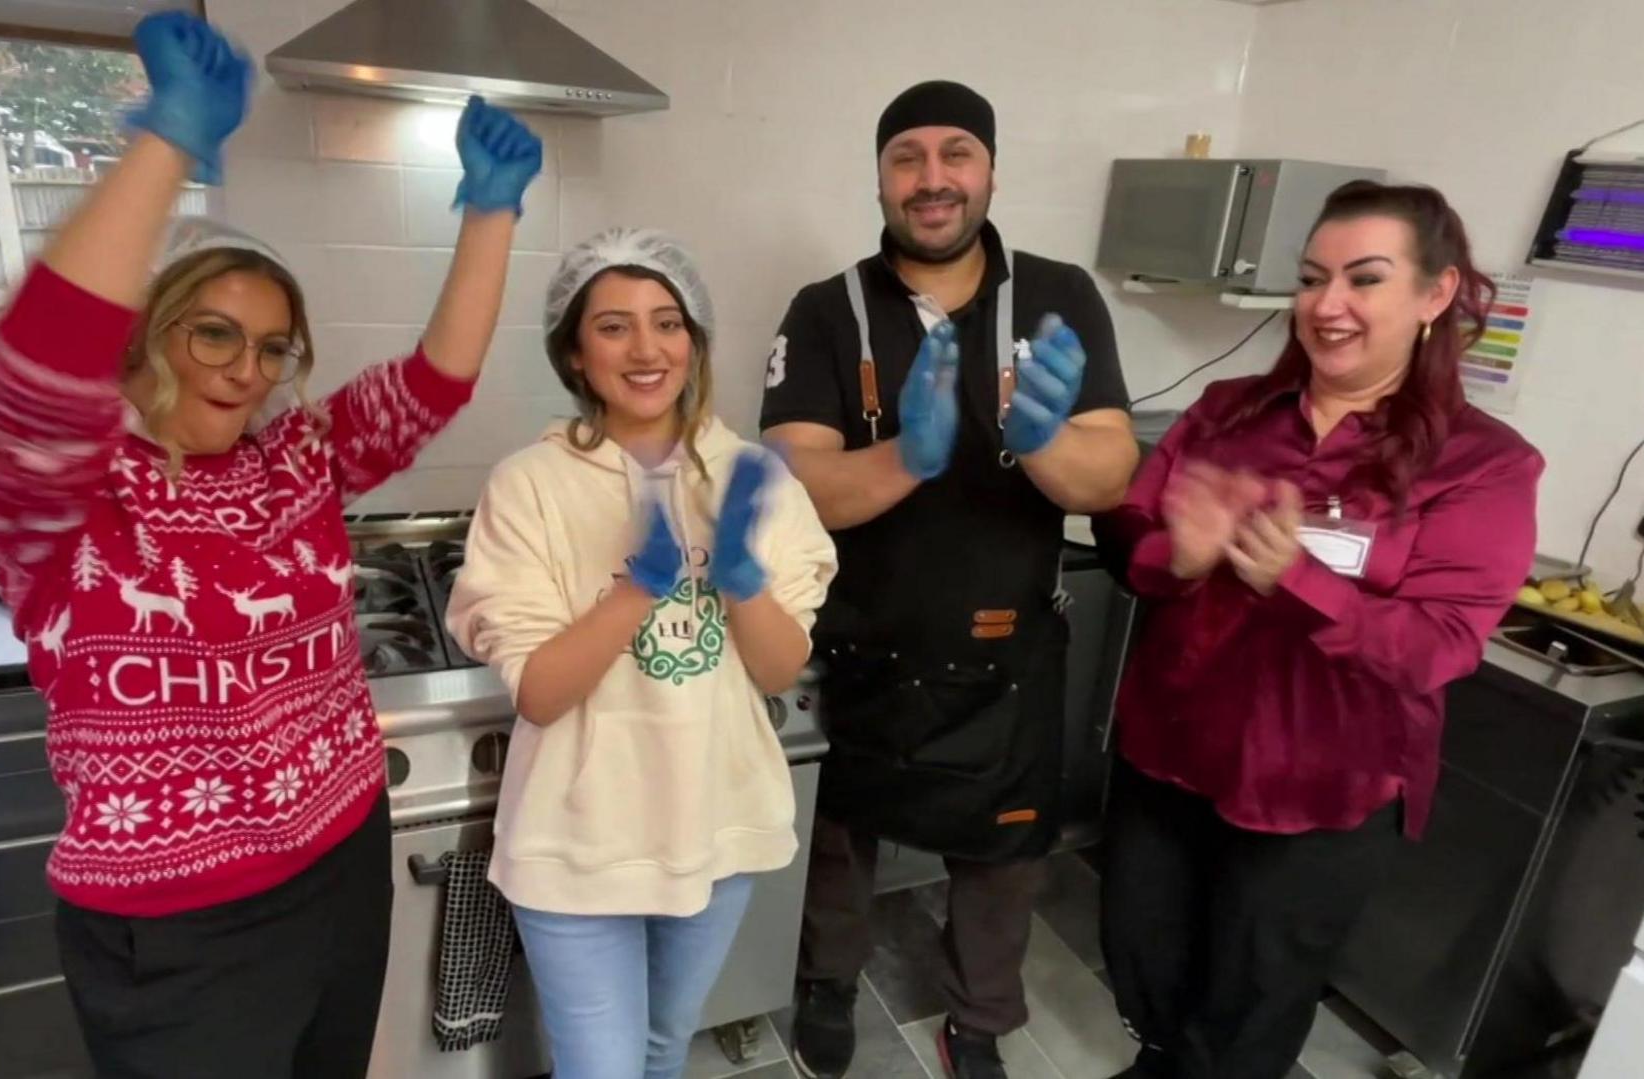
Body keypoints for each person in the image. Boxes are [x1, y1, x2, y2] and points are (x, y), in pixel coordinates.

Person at [0, 12, 543, 1076]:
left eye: (272, 347)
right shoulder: (63, 501)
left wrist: (490, 215)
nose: (246, 368)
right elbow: (30, 379)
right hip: (179, 931)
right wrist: (166, 138)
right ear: (143, 332)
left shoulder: (296, 459)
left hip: (341, 863)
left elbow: (433, 384)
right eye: (212, 331)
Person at [1092, 181, 1544, 1079]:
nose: (1327, 306)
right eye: (1311, 278)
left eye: (1363, 279)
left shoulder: (1482, 464)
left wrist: (1293, 579)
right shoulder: (1226, 410)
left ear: (1435, 294)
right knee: (1146, 959)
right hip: (1171, 753)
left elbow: (1438, 645)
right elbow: (1136, 534)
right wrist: (1176, 554)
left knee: (1248, 1006)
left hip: (1317, 793)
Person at [759, 80, 1138, 1078]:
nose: (932, 178)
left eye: (956, 152)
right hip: (857, 631)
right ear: (880, 176)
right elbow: (796, 479)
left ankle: (979, 1017)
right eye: (907, 157)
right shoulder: (827, 310)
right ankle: (830, 982)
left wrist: (1045, 438)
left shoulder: (1057, 296)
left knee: (1005, 854)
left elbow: (1109, 474)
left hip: (1004, 642)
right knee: (838, 838)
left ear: (991, 169)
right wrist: (906, 458)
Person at [445, 228, 838, 1079]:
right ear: (576, 355)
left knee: (664, 1047)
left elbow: (776, 669)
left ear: (694, 342)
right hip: (577, 838)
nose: (646, 347)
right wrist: (636, 589)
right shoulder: (529, 487)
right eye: (614, 326)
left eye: (668, 322)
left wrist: (737, 577)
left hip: (716, 823)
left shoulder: (748, 477)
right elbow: (542, 694)